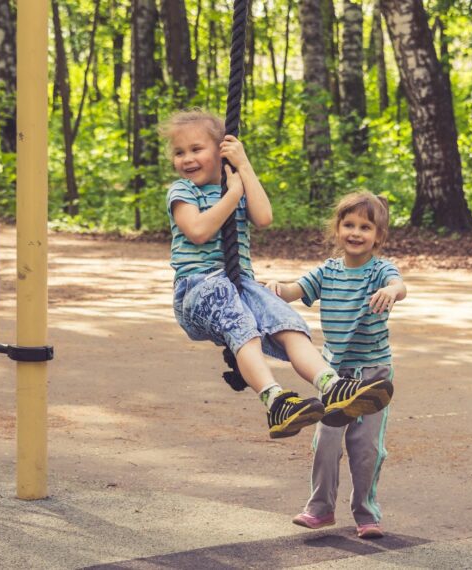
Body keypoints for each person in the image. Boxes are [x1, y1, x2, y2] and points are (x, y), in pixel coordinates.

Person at [160, 109, 394, 440]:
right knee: (244, 328)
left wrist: (243, 167)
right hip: (198, 290)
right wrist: (232, 196)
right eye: (179, 152)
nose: (187, 159)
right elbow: (197, 231)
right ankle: (274, 400)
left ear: (222, 150)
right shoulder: (183, 191)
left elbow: (265, 216)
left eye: (196, 149)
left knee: (288, 323)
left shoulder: (235, 184)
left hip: (239, 285)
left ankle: (332, 386)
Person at [265, 191, 406, 539]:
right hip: (333, 376)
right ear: (338, 228)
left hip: (373, 375)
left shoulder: (380, 271)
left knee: (366, 449)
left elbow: (398, 285)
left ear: (378, 236)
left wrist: (393, 291)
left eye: (365, 227)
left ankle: (366, 512)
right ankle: (320, 508)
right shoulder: (327, 271)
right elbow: (293, 290)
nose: (356, 233)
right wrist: (272, 288)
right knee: (326, 442)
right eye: (349, 224)